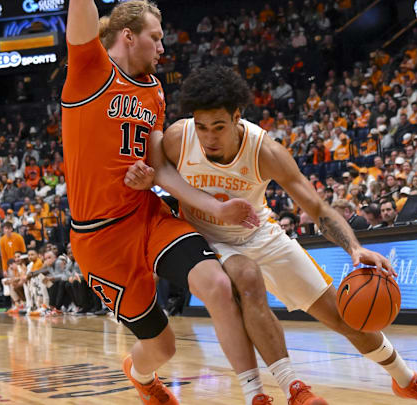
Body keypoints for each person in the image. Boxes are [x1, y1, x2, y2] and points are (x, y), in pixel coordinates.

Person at [127, 65, 417, 405]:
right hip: (208, 240)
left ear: (237, 118)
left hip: (260, 233)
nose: (208, 137)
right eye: (202, 127)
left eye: (218, 127)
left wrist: (354, 249)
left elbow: (316, 207)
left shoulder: (264, 151)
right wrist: (143, 176)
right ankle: (293, 389)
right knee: (246, 276)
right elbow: (158, 170)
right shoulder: (180, 138)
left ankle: (407, 380)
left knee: (344, 316)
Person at [62, 3, 273, 404]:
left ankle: (254, 395)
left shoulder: (154, 90)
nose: (162, 47)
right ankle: (141, 376)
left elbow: (159, 168)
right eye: (155, 38)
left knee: (216, 283)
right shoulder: (89, 71)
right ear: (128, 36)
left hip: (146, 216)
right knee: (162, 348)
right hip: (100, 242)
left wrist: (212, 205)